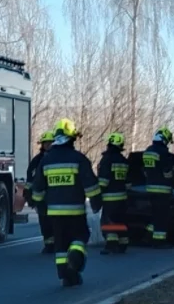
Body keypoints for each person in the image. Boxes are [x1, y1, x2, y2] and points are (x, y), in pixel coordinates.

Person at [31, 118, 102, 287]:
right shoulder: (79, 159)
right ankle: (76, 259)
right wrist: (96, 202)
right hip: (75, 212)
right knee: (80, 236)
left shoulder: (46, 160)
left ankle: (65, 275)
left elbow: (38, 188)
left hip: (54, 214)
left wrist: (40, 205)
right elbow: (91, 185)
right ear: (72, 138)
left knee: (60, 245)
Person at [142, 127, 174, 248]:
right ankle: (159, 242)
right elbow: (167, 173)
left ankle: (147, 236)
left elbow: (146, 171)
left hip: (150, 188)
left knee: (156, 214)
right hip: (162, 189)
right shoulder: (163, 153)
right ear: (164, 140)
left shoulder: (147, 151)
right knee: (162, 216)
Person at [97, 132, 131, 254]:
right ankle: (123, 243)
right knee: (120, 220)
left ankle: (111, 245)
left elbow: (103, 181)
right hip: (122, 198)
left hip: (109, 198)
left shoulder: (106, 160)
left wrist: (97, 194)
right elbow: (128, 183)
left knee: (109, 221)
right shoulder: (124, 161)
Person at [26, 131, 56, 253]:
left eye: (50, 143)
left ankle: (59, 243)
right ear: (42, 145)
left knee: (58, 222)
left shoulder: (58, 158)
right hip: (42, 198)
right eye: (46, 143)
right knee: (45, 222)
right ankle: (49, 244)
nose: (48, 145)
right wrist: (29, 194)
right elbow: (30, 179)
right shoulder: (37, 160)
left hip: (56, 196)